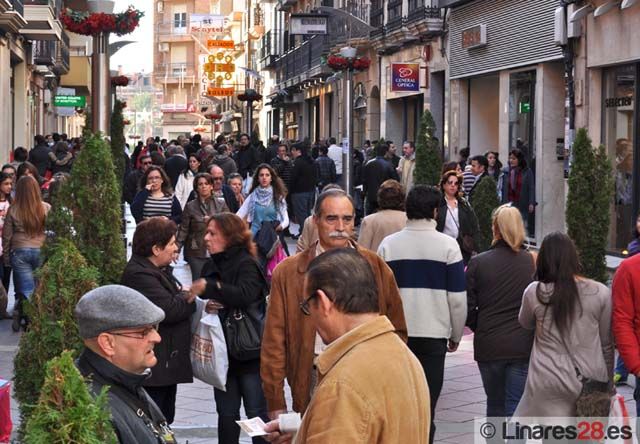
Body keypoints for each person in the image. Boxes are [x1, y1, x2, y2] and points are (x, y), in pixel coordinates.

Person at [260, 188, 407, 418]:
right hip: (313, 374)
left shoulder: (375, 265)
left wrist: (385, 374)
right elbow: (274, 341)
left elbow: (397, 328)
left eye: (347, 219)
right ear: (315, 221)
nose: (340, 226)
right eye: (331, 218)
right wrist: (275, 401)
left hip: (365, 373)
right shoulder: (289, 272)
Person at [264, 249, 430, 444]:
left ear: (324, 302)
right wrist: (303, 433)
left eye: (308, 307)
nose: (311, 317)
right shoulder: (404, 356)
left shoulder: (342, 383)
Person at [377, 185, 466, 443]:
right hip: (433, 335)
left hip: (396, 337)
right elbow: (457, 300)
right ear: (435, 212)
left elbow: (380, 296)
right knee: (427, 405)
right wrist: (456, 334)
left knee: (398, 403)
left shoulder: (388, 246)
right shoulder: (449, 247)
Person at [514, 232, 613, 420]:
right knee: (588, 438)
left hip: (548, 378)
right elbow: (606, 344)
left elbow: (524, 322)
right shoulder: (600, 292)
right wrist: (607, 382)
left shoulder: (534, 292)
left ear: (543, 260)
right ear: (573, 258)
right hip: (591, 379)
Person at [189, 213, 269, 444]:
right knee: (226, 415)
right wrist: (206, 301)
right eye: (207, 232)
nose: (206, 238)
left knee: (256, 414)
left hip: (249, 352)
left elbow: (246, 294)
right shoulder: (211, 264)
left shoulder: (247, 263)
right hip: (221, 353)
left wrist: (211, 287)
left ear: (230, 236)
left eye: (212, 233)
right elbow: (201, 298)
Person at [74, 285, 176, 444]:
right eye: (143, 332)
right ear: (107, 343)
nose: (157, 338)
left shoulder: (126, 380)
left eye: (154, 328)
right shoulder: (91, 409)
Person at [121, 217, 197, 424]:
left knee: (164, 417)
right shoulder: (140, 274)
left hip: (164, 362)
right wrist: (187, 296)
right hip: (154, 365)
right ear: (156, 249)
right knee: (156, 419)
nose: (175, 248)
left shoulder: (156, 270)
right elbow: (170, 310)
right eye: (172, 243)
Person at [465, 204, 535, 419]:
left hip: (489, 342)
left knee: (494, 405)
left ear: (495, 229)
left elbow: (468, 307)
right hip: (521, 343)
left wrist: (481, 324)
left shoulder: (478, 263)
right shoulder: (531, 261)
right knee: (516, 406)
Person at [3, 176, 50, 331]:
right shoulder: (45, 208)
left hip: (19, 250)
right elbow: (52, 231)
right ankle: (36, 318)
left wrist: (7, 257)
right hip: (40, 249)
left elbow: (7, 236)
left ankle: (26, 315)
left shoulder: (13, 209)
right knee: (39, 286)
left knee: (26, 288)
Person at [177, 173, 228, 281]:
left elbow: (228, 226)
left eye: (206, 183)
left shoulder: (221, 204)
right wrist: (177, 248)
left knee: (216, 282)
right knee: (198, 281)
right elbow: (183, 229)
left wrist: (213, 220)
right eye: (200, 184)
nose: (203, 186)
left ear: (211, 186)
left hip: (217, 249)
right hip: (196, 249)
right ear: (196, 187)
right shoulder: (190, 206)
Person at [436, 170, 480, 264]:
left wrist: (475, 244)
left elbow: (474, 224)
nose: (453, 185)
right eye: (450, 183)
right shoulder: (437, 203)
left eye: (456, 183)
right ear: (443, 185)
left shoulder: (463, 203)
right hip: (442, 246)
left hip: (461, 247)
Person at [237, 164, 289, 237]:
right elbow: (240, 214)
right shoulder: (252, 196)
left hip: (271, 235)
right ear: (258, 178)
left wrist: (280, 227)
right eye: (261, 175)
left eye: (267, 175)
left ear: (271, 178)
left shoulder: (277, 196)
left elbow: (286, 219)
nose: (264, 177)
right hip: (255, 236)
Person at [358, 179, 407, 252]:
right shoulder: (409, 219)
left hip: (377, 262)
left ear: (380, 197)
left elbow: (362, 251)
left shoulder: (369, 221)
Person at [499, 148, 536, 233]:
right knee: (508, 228)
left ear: (519, 160)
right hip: (508, 204)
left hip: (522, 204)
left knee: (521, 227)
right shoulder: (505, 171)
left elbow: (531, 187)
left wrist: (531, 202)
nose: (511, 160)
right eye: (510, 158)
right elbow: (501, 188)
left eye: (514, 159)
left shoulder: (527, 171)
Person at [362, 143, 400, 215]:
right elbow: (395, 181)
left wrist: (364, 193)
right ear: (386, 152)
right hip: (385, 197)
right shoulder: (389, 165)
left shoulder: (369, 164)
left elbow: (364, 180)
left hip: (371, 196)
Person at [288, 144, 317, 233]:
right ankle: (305, 231)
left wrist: (289, 190)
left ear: (298, 151)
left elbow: (293, 177)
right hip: (310, 191)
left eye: (293, 150)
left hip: (299, 192)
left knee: (301, 214)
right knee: (307, 213)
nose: (291, 152)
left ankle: (305, 233)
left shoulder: (297, 162)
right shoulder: (311, 161)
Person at [0, 173, 12, 319]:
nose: (9, 186)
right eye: (6, 184)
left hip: (8, 245)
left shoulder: (11, 202)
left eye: (10, 183)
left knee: (7, 276)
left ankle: (2, 308)